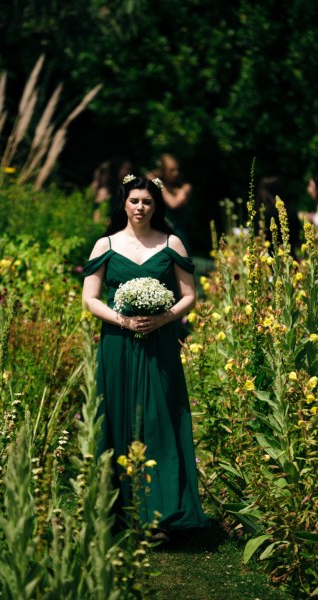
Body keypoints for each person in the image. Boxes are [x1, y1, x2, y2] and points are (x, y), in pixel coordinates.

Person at [82, 175, 209, 537]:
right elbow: (89, 299)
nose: (140, 207)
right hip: (117, 345)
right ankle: (119, 511)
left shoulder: (172, 243)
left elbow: (189, 296)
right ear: (124, 203)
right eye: (135, 200)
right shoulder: (104, 244)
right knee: (117, 418)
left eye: (148, 202)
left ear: (157, 206)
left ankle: (165, 510)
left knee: (160, 419)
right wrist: (123, 320)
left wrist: (161, 319)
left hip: (160, 344)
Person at [147, 154, 192, 252]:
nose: (176, 173)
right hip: (158, 234)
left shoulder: (185, 187)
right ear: (163, 171)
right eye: (171, 170)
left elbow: (174, 204)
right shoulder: (156, 186)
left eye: (177, 169)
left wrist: (159, 184)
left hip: (178, 234)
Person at [255, 176, 301, 252]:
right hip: (290, 255)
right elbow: (296, 239)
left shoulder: (262, 214)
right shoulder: (291, 211)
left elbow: (258, 238)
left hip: (268, 258)